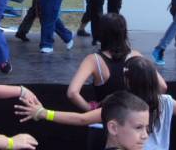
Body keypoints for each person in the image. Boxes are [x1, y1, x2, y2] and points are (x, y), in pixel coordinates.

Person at [15, 56, 176, 150]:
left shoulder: (121, 105)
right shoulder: (165, 101)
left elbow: (82, 119)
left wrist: (44, 113)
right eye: (139, 127)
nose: (144, 134)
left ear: (128, 80)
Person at [66, 13, 166, 150]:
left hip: (103, 127)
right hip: (130, 129)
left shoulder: (94, 60)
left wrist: (91, 109)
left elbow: (72, 93)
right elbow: (162, 86)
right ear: (124, 33)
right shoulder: (135, 56)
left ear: (101, 33)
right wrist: (143, 104)